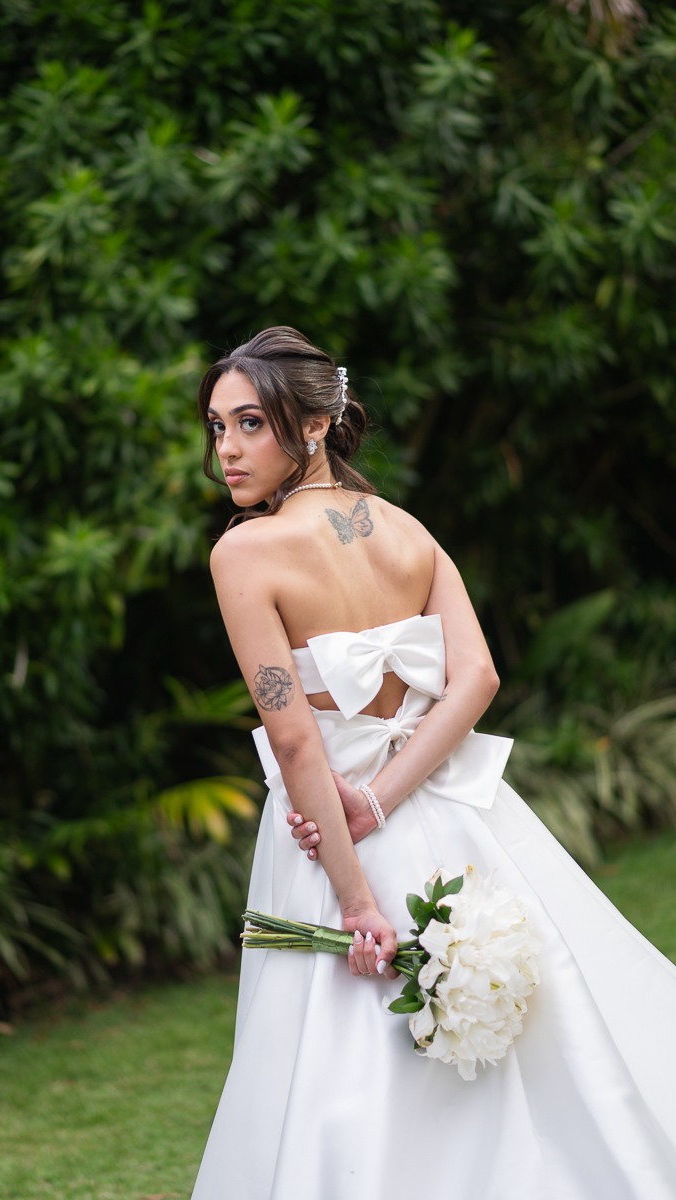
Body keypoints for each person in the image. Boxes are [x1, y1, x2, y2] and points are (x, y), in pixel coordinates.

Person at [190, 326, 676, 1200]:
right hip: (442, 807)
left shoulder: (243, 551)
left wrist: (355, 900)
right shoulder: (407, 530)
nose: (226, 448)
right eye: (217, 426)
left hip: (325, 828)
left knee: (335, 1061)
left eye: (250, 423)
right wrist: (381, 799)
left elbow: (296, 741)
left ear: (313, 425)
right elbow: (476, 677)